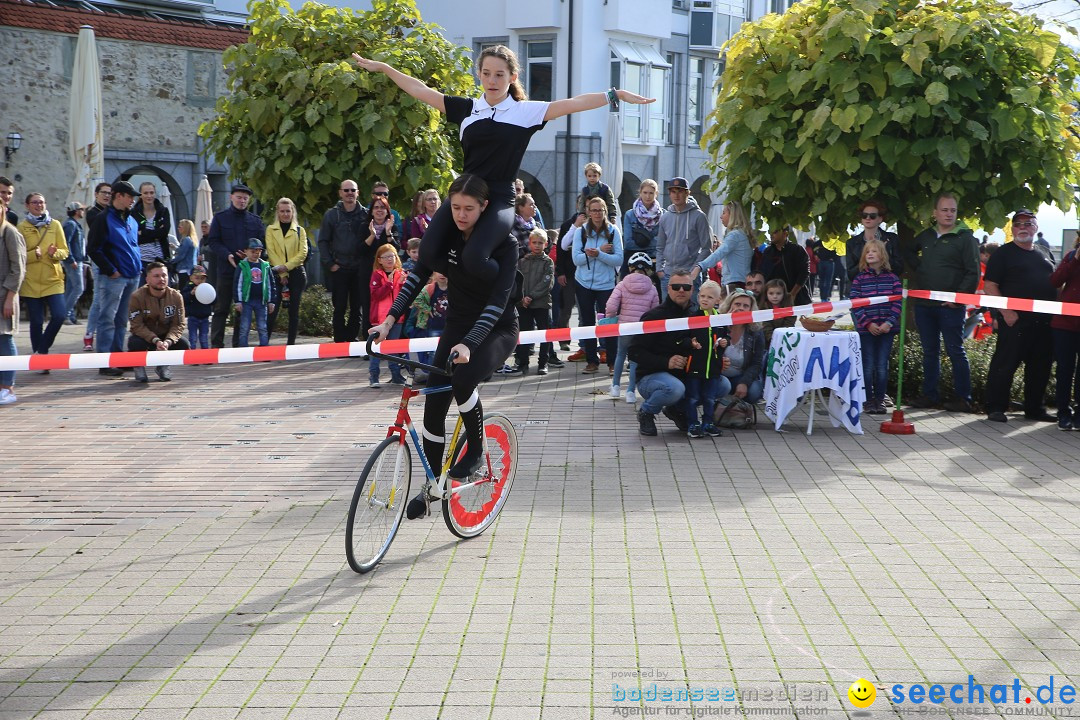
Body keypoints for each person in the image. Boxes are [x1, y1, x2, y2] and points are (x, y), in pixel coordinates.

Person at [352, 44, 652, 286]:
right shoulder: (467, 108)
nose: (492, 80)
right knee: (428, 252)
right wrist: (384, 68)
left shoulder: (526, 112)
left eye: (499, 74)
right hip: (465, 193)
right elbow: (420, 90)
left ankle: (507, 289)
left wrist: (614, 94)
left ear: (512, 77)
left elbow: (573, 103)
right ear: (479, 75)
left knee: (475, 258)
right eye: (486, 73)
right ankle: (465, 286)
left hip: (498, 196)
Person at [369, 174, 521, 520]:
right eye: (455, 207)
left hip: (497, 328)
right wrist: (388, 322)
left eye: (469, 208)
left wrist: (469, 343)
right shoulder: (446, 238)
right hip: (457, 326)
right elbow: (418, 275)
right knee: (433, 408)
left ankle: (477, 452)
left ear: (485, 207)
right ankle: (434, 486)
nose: (461, 215)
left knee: (463, 378)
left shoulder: (505, 244)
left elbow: (498, 302)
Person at [983, 208, 1057, 423]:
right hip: (1015, 320)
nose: (1022, 227)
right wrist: (1006, 312)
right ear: (1013, 228)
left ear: (1036, 227)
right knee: (1004, 365)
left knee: (1040, 368)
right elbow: (990, 285)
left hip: (1044, 322)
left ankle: (1035, 409)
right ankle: (996, 407)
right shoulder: (1003, 254)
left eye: (1028, 223)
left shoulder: (1045, 252)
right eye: (1018, 224)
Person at [908, 192, 979, 412]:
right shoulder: (926, 236)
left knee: (955, 350)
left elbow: (973, 272)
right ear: (935, 213)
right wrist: (920, 271)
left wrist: (958, 299)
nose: (949, 214)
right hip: (925, 305)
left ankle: (963, 398)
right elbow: (909, 252)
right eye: (945, 210)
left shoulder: (965, 237)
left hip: (951, 306)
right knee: (930, 351)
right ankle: (930, 395)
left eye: (953, 210)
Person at [628, 270, 695, 436]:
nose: (681, 290)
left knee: (721, 384)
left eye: (686, 287)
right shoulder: (653, 316)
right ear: (668, 288)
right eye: (676, 286)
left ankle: (676, 409)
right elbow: (634, 352)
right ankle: (646, 412)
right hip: (651, 377)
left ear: (692, 290)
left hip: (686, 374)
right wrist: (666, 362)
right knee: (674, 388)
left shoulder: (698, 314)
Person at [86, 180, 142, 373]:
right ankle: (105, 362)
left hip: (132, 275)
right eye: (130, 196)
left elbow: (133, 246)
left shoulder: (131, 219)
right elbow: (93, 249)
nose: (133, 200)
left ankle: (117, 356)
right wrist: (111, 270)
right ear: (119, 196)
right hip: (114, 277)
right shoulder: (103, 219)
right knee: (107, 318)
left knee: (121, 320)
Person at [566, 196, 624, 373]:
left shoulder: (614, 231)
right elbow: (576, 260)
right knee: (588, 323)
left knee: (609, 323)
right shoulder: (580, 232)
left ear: (605, 211)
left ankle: (612, 361)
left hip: (606, 284)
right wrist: (598, 251)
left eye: (601, 210)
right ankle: (592, 361)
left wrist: (598, 255)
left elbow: (619, 259)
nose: (598, 213)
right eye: (594, 210)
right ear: (588, 212)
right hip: (583, 284)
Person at [206, 183, 265, 348]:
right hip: (226, 269)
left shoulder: (255, 221)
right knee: (221, 309)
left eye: (245, 198)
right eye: (239, 197)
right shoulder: (220, 217)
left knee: (243, 311)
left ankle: (240, 345)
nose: (242, 201)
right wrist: (228, 255)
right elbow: (213, 242)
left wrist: (250, 253)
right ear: (231, 197)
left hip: (247, 272)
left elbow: (263, 244)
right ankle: (216, 346)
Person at [849, 239, 902, 415]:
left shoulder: (893, 279)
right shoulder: (859, 279)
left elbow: (898, 303)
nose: (870, 254)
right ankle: (868, 399)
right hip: (867, 330)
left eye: (874, 251)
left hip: (887, 330)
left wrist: (889, 322)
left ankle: (880, 399)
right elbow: (856, 303)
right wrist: (868, 323)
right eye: (868, 251)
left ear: (882, 255)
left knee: (881, 365)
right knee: (867, 365)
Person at [18, 193, 70, 363]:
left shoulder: (54, 225)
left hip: (52, 279)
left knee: (60, 315)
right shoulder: (21, 227)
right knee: (36, 321)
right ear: (27, 205)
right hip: (30, 281)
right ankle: (40, 361)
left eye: (41, 202)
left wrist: (56, 254)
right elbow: (17, 255)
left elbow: (65, 251)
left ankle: (41, 351)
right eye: (34, 203)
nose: (39, 205)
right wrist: (34, 255)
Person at [319, 179, 372, 344]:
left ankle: (352, 340)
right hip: (339, 267)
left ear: (358, 193)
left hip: (359, 269)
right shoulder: (331, 214)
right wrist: (330, 263)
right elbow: (323, 241)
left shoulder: (366, 214)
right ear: (340, 193)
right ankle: (340, 342)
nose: (350, 193)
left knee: (357, 307)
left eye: (353, 190)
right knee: (339, 307)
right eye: (346, 190)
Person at [606, 252, 659, 402]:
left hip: (624, 327)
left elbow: (611, 305)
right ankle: (630, 392)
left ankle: (615, 387)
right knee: (635, 360)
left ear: (630, 268)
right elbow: (655, 311)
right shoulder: (652, 288)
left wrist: (611, 317)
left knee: (620, 354)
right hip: (641, 330)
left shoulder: (622, 285)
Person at [127, 261, 189, 383]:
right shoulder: (136, 297)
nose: (161, 279)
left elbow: (179, 324)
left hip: (165, 337)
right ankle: (138, 365)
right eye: (156, 276)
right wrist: (155, 340)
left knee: (184, 344)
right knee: (134, 342)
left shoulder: (176, 296)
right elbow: (136, 325)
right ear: (147, 279)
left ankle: (163, 364)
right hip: (145, 337)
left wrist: (168, 341)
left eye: (164, 275)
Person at [684, 280, 728, 438]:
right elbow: (683, 338)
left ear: (718, 300)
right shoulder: (693, 316)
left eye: (709, 297)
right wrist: (690, 343)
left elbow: (725, 336)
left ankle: (708, 423)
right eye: (702, 296)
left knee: (710, 398)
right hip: (695, 365)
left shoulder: (721, 318)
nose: (705, 299)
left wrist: (724, 342)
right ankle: (692, 424)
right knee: (693, 397)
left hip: (713, 367)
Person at [655, 177, 712, 298]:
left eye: (680, 191)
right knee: (669, 314)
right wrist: (660, 269)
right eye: (673, 191)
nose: (676, 195)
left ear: (687, 193)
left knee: (691, 313)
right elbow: (660, 246)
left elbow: (707, 248)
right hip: (668, 275)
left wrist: (694, 270)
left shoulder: (699, 216)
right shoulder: (665, 217)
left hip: (690, 275)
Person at [265, 197, 308, 345]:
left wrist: (287, 267)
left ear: (292, 212)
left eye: (288, 211)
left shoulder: (299, 230)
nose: (285, 214)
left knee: (293, 312)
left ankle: (291, 345)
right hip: (276, 274)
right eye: (282, 211)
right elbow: (271, 252)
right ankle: (265, 343)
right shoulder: (270, 230)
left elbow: (303, 253)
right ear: (277, 212)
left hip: (296, 273)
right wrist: (282, 273)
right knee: (272, 310)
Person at [512, 228, 555, 375]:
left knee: (544, 334)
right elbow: (517, 281)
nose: (537, 245)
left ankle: (543, 363)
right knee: (524, 334)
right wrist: (522, 298)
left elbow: (547, 282)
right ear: (529, 243)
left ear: (546, 244)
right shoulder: (522, 262)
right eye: (534, 242)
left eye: (540, 243)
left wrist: (531, 296)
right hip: (524, 304)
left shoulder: (548, 262)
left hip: (541, 303)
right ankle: (523, 363)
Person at [690, 200, 754, 295]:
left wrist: (700, 266)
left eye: (724, 213)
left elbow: (718, 253)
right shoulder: (742, 234)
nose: (721, 216)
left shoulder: (734, 235)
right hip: (740, 281)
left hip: (734, 284)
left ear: (732, 215)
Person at [717, 288, 766, 406]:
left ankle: (735, 405)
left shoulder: (756, 331)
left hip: (740, 375)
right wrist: (725, 323)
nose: (740, 308)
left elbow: (756, 363)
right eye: (737, 304)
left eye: (745, 306)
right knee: (723, 386)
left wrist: (744, 382)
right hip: (718, 375)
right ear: (729, 305)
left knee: (754, 392)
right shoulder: (718, 324)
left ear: (751, 310)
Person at [1051, 236, 1080, 430]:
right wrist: (1075, 259)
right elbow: (1055, 281)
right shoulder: (1070, 257)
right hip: (1065, 325)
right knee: (1064, 369)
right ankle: (1063, 412)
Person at [368, 243, 407, 387]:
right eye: (386, 257)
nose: (390, 259)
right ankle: (374, 376)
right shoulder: (376, 275)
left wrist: (403, 284)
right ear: (379, 260)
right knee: (376, 348)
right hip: (379, 318)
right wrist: (388, 284)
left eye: (392, 256)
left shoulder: (401, 274)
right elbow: (376, 295)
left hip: (397, 318)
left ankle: (396, 375)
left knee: (394, 348)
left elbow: (405, 296)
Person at [0, 205, 26, 405]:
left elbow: (18, 268)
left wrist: (10, 297)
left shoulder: (10, 232)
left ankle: (8, 387)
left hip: (4, 295)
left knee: (5, 338)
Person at [233, 239, 277, 348]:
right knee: (244, 327)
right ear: (246, 251)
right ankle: (243, 350)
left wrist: (271, 301)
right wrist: (238, 301)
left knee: (262, 327)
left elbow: (270, 284)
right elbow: (237, 284)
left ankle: (264, 350)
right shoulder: (242, 266)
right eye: (253, 251)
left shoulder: (265, 266)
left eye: (258, 251)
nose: (256, 254)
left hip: (261, 301)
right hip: (246, 301)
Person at [846, 200, 904, 283]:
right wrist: (867, 258)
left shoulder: (892, 239)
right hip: (863, 289)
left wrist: (883, 253)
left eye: (872, 216)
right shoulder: (851, 243)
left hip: (887, 286)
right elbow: (851, 275)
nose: (867, 218)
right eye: (864, 215)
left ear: (880, 219)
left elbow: (899, 269)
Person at [406, 270, 448, 377]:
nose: (442, 275)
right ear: (434, 274)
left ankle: (445, 374)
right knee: (433, 352)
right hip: (433, 325)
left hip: (449, 326)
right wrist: (427, 309)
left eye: (444, 272)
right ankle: (432, 375)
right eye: (439, 272)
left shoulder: (454, 288)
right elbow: (416, 299)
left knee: (448, 350)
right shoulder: (430, 288)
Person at [621, 179, 663, 275]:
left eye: (651, 193)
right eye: (645, 192)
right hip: (632, 259)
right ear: (640, 193)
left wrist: (642, 243)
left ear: (656, 194)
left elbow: (662, 242)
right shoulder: (630, 214)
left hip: (654, 259)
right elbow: (628, 243)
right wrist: (652, 244)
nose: (648, 196)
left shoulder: (662, 215)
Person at [131, 182, 172, 281]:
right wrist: (157, 233)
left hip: (160, 259)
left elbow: (164, 232)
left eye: (151, 192)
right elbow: (135, 236)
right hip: (141, 260)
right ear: (140, 195)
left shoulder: (163, 211)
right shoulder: (133, 213)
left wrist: (144, 232)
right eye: (145, 193)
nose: (149, 196)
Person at [762, 225, 811, 305]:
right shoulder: (767, 252)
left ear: (785, 234)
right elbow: (764, 274)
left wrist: (792, 294)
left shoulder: (797, 250)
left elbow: (804, 273)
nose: (771, 234)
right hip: (771, 299)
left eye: (775, 232)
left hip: (794, 298)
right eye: (770, 232)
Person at [61, 201, 87, 325]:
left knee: (71, 288)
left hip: (77, 259)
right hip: (73, 261)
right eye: (82, 209)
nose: (83, 211)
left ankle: (69, 316)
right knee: (79, 288)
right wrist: (71, 259)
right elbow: (66, 242)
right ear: (76, 211)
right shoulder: (71, 224)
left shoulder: (74, 224)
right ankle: (65, 314)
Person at [180, 265, 212, 349]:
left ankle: (206, 357)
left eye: (202, 278)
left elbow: (214, 300)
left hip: (205, 318)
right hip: (193, 317)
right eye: (197, 278)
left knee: (204, 338)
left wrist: (211, 296)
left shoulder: (207, 288)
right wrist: (191, 293)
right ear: (191, 278)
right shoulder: (188, 287)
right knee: (193, 339)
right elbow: (183, 299)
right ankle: (192, 356)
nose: (200, 281)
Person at [760, 278, 796, 345]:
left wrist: (782, 337)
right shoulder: (763, 307)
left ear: (784, 294)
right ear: (766, 294)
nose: (775, 296)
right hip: (768, 340)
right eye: (771, 293)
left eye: (778, 293)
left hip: (786, 338)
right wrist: (772, 339)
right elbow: (765, 325)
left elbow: (789, 322)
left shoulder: (789, 305)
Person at [172, 219, 198, 290]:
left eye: (180, 227)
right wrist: (175, 248)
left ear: (185, 228)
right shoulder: (193, 240)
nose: (178, 228)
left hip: (184, 269)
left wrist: (171, 262)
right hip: (191, 269)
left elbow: (181, 255)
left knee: (183, 290)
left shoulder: (186, 240)